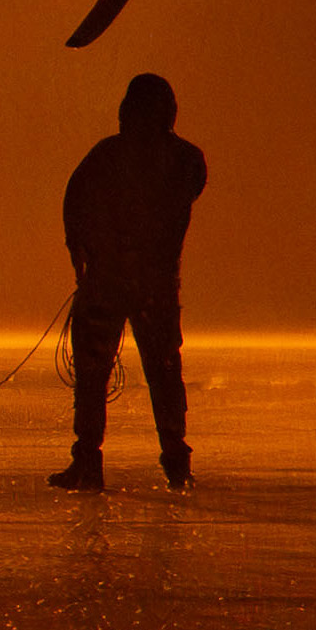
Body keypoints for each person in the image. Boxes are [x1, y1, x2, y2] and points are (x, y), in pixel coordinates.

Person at [54, 71, 208, 491]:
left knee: (96, 372)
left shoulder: (109, 156)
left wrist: (85, 256)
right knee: (161, 370)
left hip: (113, 283)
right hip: (151, 285)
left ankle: (90, 460)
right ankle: (174, 459)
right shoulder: (186, 160)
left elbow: (76, 205)